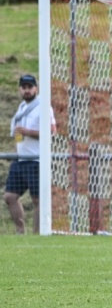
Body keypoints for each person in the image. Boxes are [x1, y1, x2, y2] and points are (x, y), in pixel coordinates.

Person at [4, 75, 56, 234]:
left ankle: (37, 234)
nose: (27, 90)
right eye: (24, 87)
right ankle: (21, 232)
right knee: (10, 196)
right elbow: (18, 135)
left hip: (36, 160)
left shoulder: (44, 106)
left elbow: (52, 131)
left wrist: (29, 132)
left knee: (38, 200)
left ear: (36, 88)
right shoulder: (21, 108)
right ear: (19, 89)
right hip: (21, 160)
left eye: (30, 87)